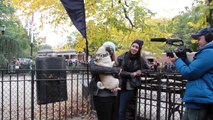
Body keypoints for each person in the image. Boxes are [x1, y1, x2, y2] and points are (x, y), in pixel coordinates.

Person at [169, 27, 213, 120]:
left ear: (209, 37)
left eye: (199, 39)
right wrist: (184, 59)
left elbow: (189, 73)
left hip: (200, 101)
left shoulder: (210, 52)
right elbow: (196, 69)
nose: (197, 41)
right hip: (196, 100)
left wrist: (177, 61)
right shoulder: (207, 52)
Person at [116, 39, 149, 120]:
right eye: (133, 46)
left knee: (121, 110)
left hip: (129, 87)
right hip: (118, 86)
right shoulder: (122, 57)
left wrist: (140, 71)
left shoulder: (140, 60)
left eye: (136, 47)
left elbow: (148, 70)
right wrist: (131, 74)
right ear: (130, 46)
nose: (134, 48)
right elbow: (116, 70)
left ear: (139, 49)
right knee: (116, 110)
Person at [89, 41, 121, 120]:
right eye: (107, 48)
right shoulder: (97, 57)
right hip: (101, 95)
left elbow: (119, 74)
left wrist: (117, 86)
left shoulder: (115, 61)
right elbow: (94, 69)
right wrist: (113, 70)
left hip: (114, 94)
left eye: (110, 49)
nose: (108, 51)